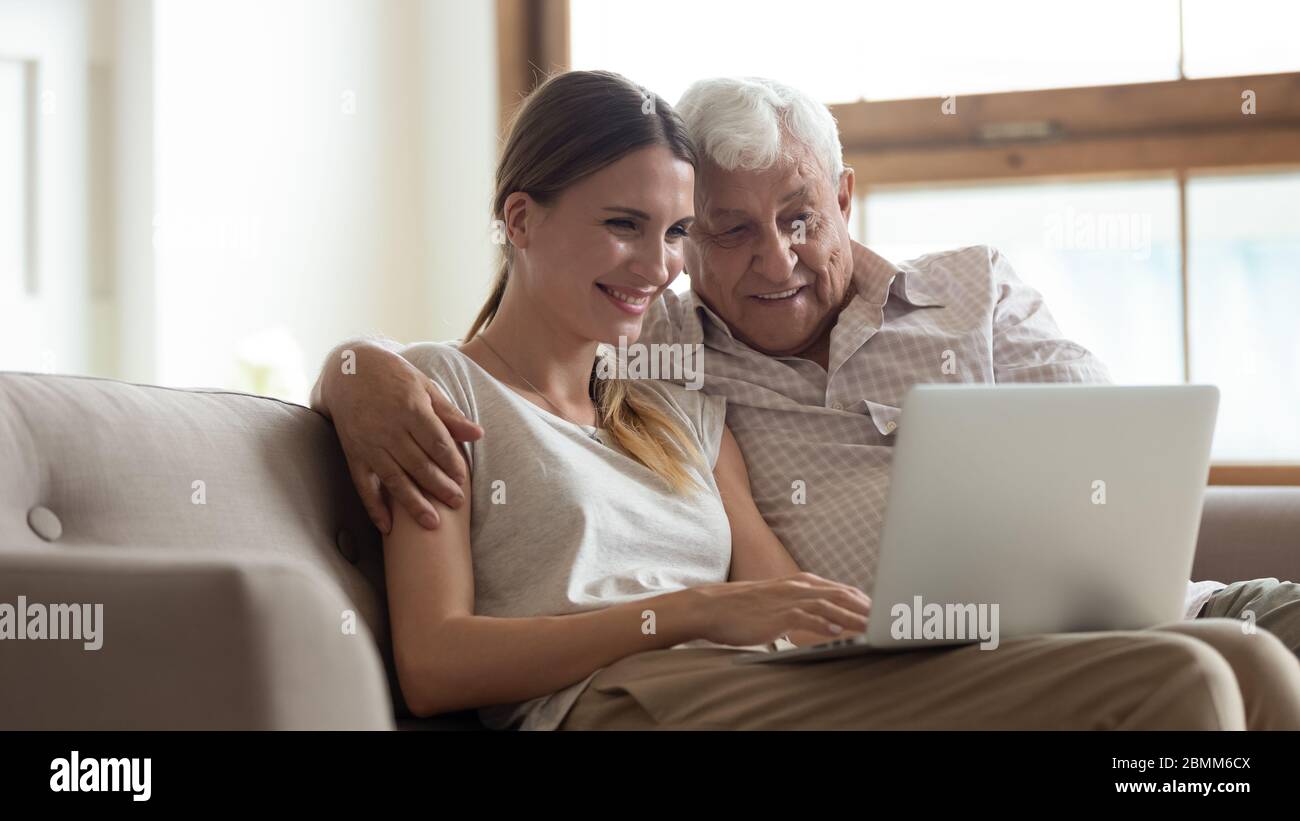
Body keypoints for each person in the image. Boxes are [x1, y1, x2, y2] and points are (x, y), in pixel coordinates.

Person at [313, 71, 1300, 730]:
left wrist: (921, 638)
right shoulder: (439, 393)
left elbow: (788, 604)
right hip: (622, 700)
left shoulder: (672, 393)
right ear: (519, 220)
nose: (657, 266)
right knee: (1189, 678)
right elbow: (435, 662)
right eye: (632, 226)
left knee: (1245, 663)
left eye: (668, 236)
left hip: (773, 681)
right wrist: (353, 365)